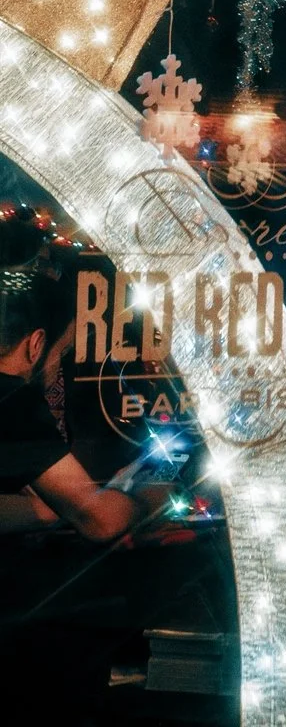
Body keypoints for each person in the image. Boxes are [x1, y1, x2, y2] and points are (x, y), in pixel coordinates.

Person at [0, 213, 162, 541]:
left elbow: (42, 508)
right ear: (36, 345)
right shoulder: (13, 404)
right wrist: (152, 496)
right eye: (61, 355)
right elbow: (99, 520)